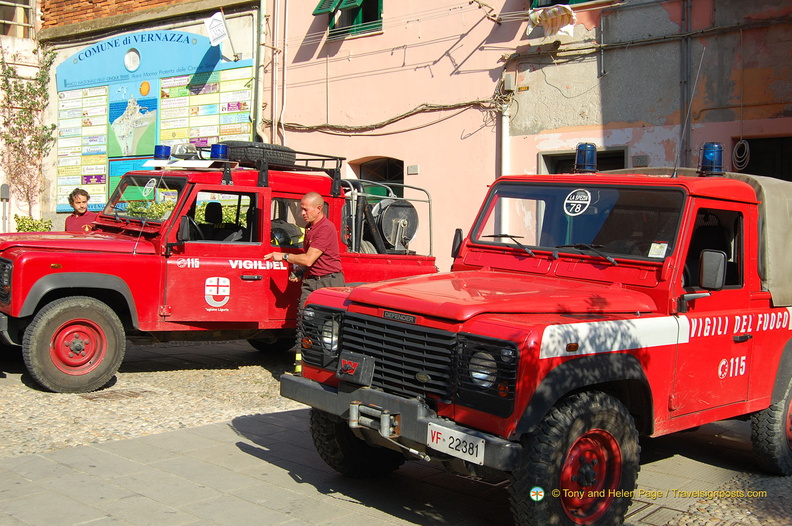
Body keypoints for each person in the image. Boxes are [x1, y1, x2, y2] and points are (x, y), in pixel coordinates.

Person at [264, 191, 344, 308]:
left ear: (318, 209)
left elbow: (308, 259)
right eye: (302, 209)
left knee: (328, 322)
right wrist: (300, 271)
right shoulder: (310, 228)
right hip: (312, 280)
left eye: (306, 210)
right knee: (305, 316)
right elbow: (310, 257)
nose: (302, 213)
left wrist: (283, 256)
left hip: (328, 281)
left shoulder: (325, 228)